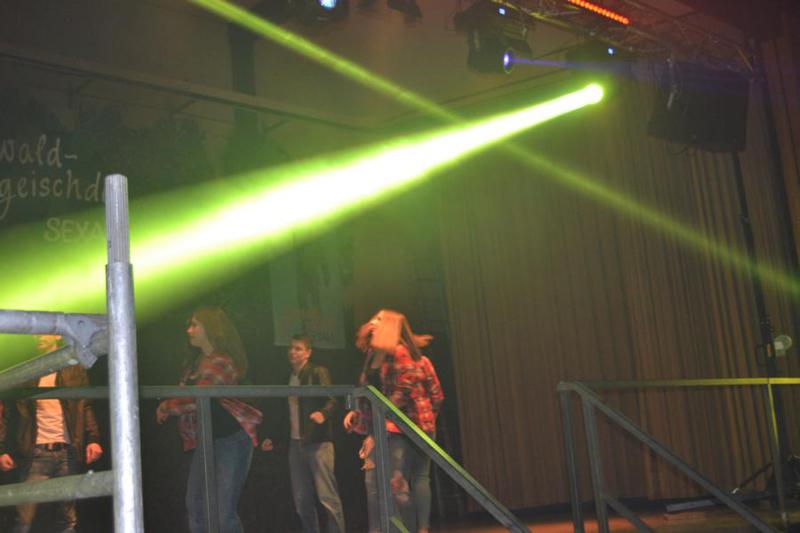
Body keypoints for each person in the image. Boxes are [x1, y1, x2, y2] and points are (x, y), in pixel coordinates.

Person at [156, 307, 263, 533]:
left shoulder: (222, 362)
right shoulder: (195, 363)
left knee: (223, 513)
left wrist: (167, 406)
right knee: (195, 506)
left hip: (231, 440)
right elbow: (186, 396)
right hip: (206, 441)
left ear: (210, 328)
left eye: (195, 325)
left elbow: (198, 397)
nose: (189, 330)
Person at [343, 310, 444, 533]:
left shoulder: (399, 352)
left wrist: (426, 417)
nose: (373, 321)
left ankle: (419, 528)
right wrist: (356, 414)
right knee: (378, 483)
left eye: (380, 319)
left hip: (406, 425)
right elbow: (366, 391)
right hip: (384, 426)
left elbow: (406, 388)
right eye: (373, 317)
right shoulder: (371, 355)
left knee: (405, 481)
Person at [0, 334, 104, 533]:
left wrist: (93, 439)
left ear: (57, 336)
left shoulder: (74, 368)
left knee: (67, 520)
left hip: (67, 451)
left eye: (43, 332)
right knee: (23, 519)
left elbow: (85, 404)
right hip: (35, 453)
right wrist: (2, 449)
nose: (38, 337)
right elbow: (9, 411)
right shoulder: (29, 370)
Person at [262, 333, 345, 533]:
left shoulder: (317, 372)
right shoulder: (287, 377)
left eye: (298, 349)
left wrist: (323, 414)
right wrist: (274, 437)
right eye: (291, 348)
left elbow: (332, 399)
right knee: (301, 500)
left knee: (327, 497)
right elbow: (283, 414)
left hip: (317, 442)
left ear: (308, 352)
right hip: (295, 443)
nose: (292, 352)